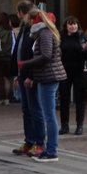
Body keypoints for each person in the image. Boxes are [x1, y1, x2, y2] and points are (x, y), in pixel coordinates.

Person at [18, 9, 66, 162]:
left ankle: (51, 151)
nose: (29, 22)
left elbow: (46, 55)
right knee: (48, 114)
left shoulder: (44, 33)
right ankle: (49, 149)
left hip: (48, 77)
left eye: (30, 19)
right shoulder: (44, 32)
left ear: (34, 20)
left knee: (49, 116)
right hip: (46, 76)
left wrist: (25, 64)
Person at [12, 0, 45, 155]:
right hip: (22, 74)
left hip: (30, 76)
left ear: (21, 13)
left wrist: (30, 76)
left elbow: (36, 55)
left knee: (35, 110)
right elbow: (18, 51)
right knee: (27, 110)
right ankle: (29, 141)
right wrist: (17, 74)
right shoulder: (25, 28)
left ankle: (39, 142)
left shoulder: (35, 29)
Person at [58, 15, 87, 135]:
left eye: (75, 24)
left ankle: (79, 125)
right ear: (66, 26)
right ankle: (64, 125)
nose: (73, 26)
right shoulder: (61, 37)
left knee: (80, 99)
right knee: (64, 99)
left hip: (79, 71)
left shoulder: (82, 37)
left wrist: (86, 49)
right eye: (70, 24)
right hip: (64, 71)